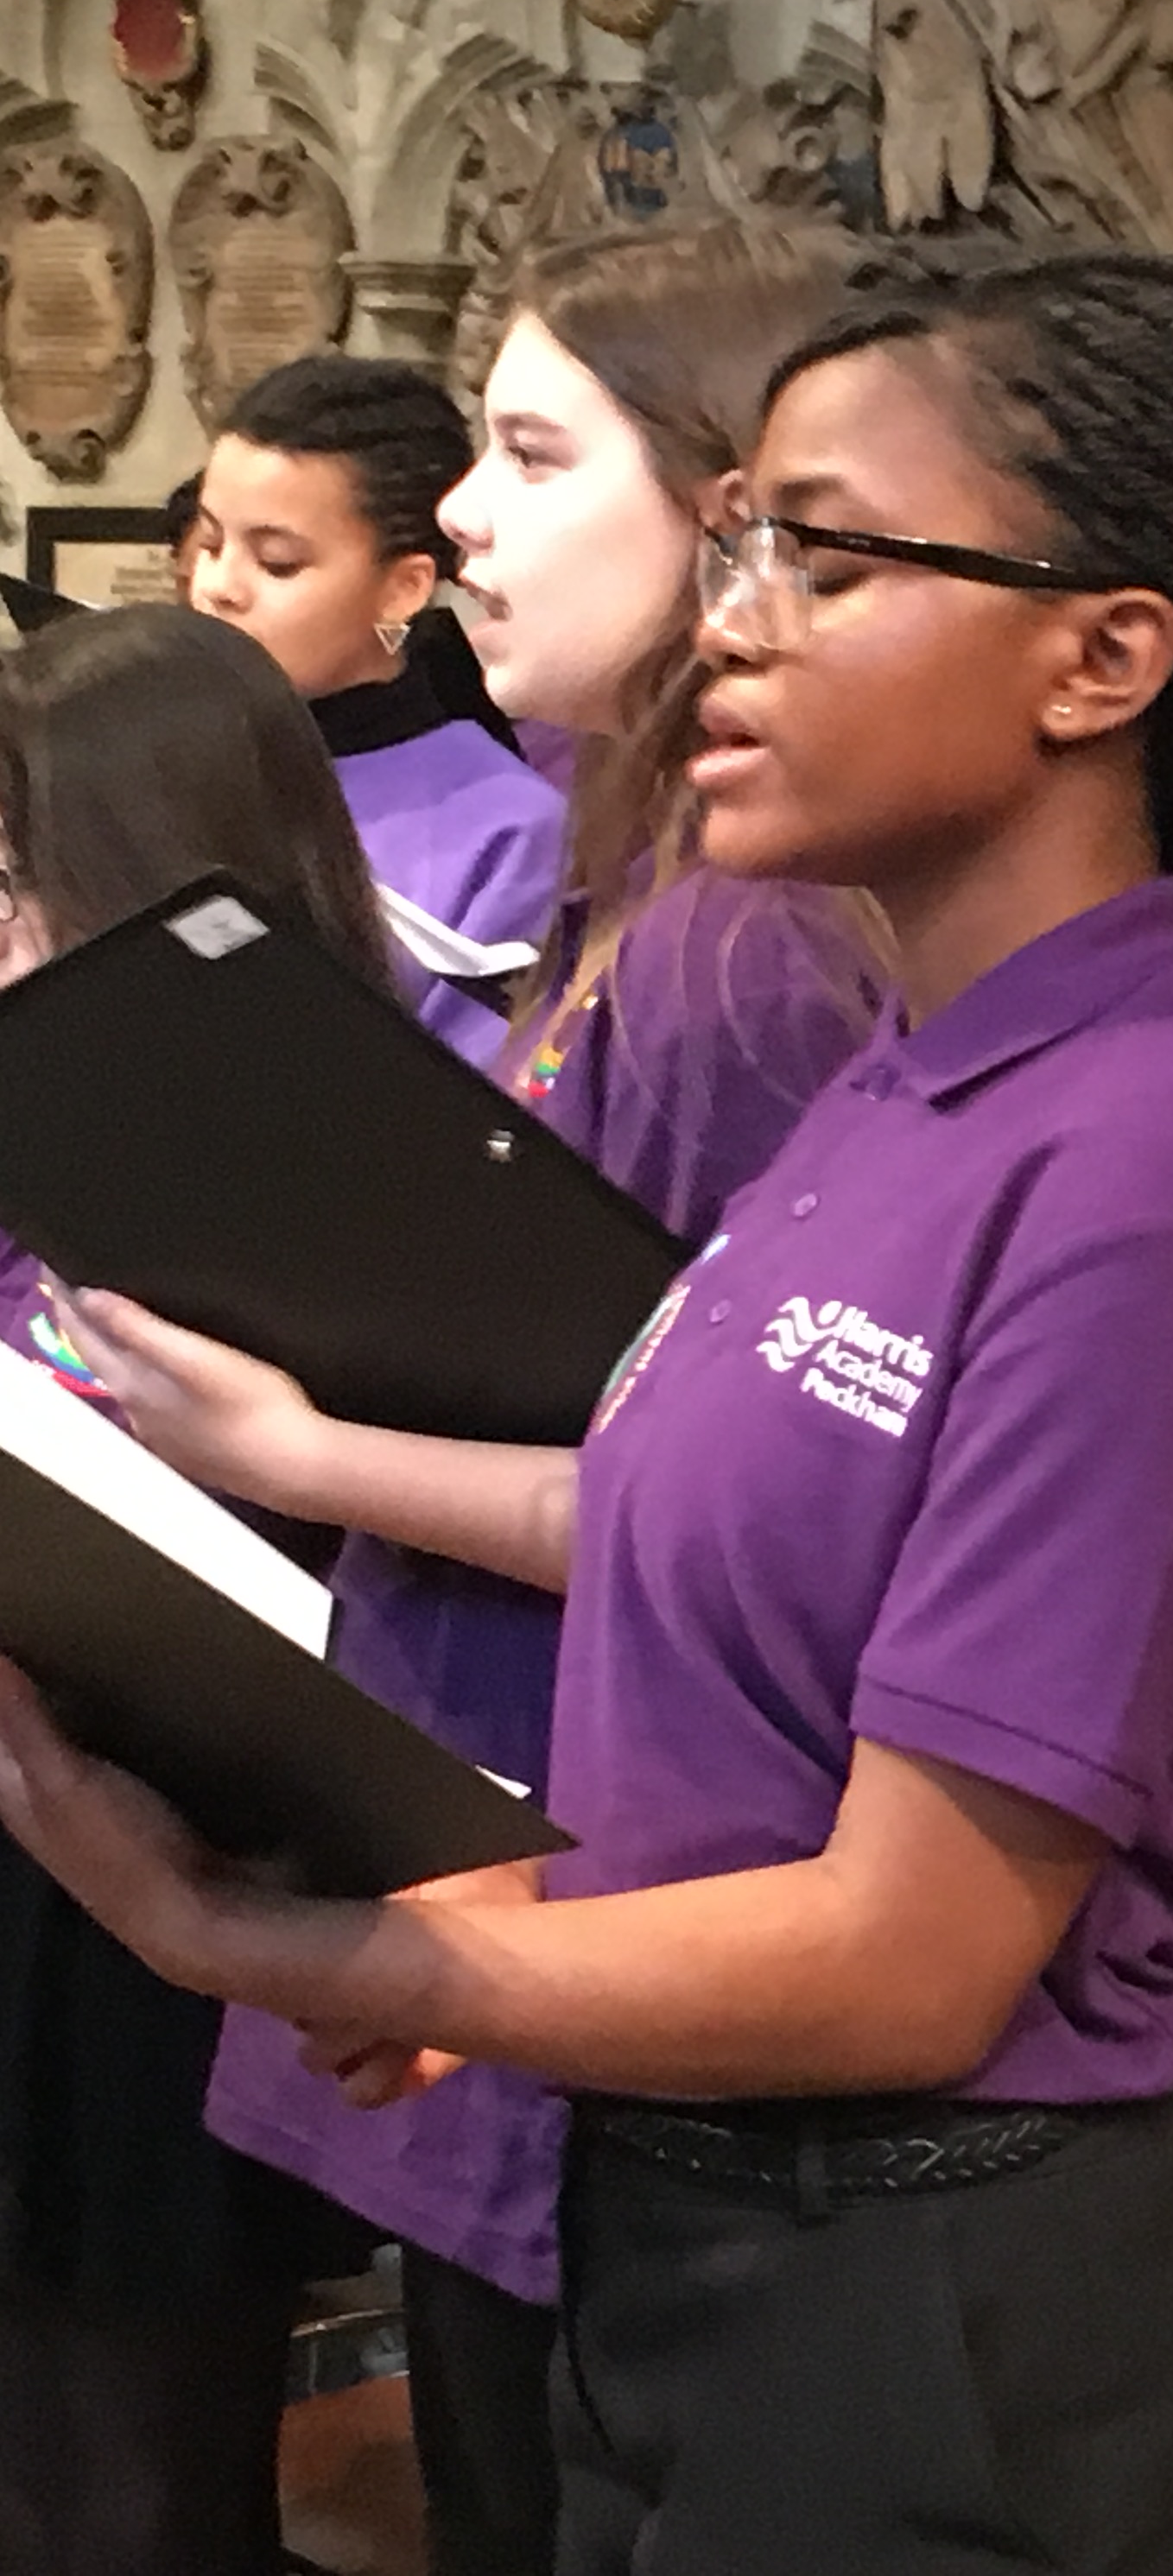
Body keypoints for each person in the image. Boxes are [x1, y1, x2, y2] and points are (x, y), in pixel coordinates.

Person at [0, 242, 1173, 2576]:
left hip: (960, 2290)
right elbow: (728, 1659)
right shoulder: (903, 1085)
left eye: (833, 559)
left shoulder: (1159, 1156)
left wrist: (270, 1947)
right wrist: (488, 1918)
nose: (738, 625)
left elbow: (912, 1952)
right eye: (738, 550)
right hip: (705, 2219)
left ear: (1105, 657)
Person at [188, 225, 892, 2576]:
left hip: (627, 1855)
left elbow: (749, 1511)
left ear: (730, 508)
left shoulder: (750, 945)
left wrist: (292, 1449)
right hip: (507, 1815)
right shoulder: (636, 883)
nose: (467, 517)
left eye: (526, 454)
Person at [0, 606, 399, 2576]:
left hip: (158, 1884)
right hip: (33, 1820)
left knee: (132, 2468)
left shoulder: (326, 1165)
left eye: (12, 883)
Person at [192, 354, 571, 1063]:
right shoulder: (152, 757)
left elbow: (470, 1096)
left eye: (276, 562)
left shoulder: (508, 829)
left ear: (404, 588)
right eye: (210, 543)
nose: (219, 586)